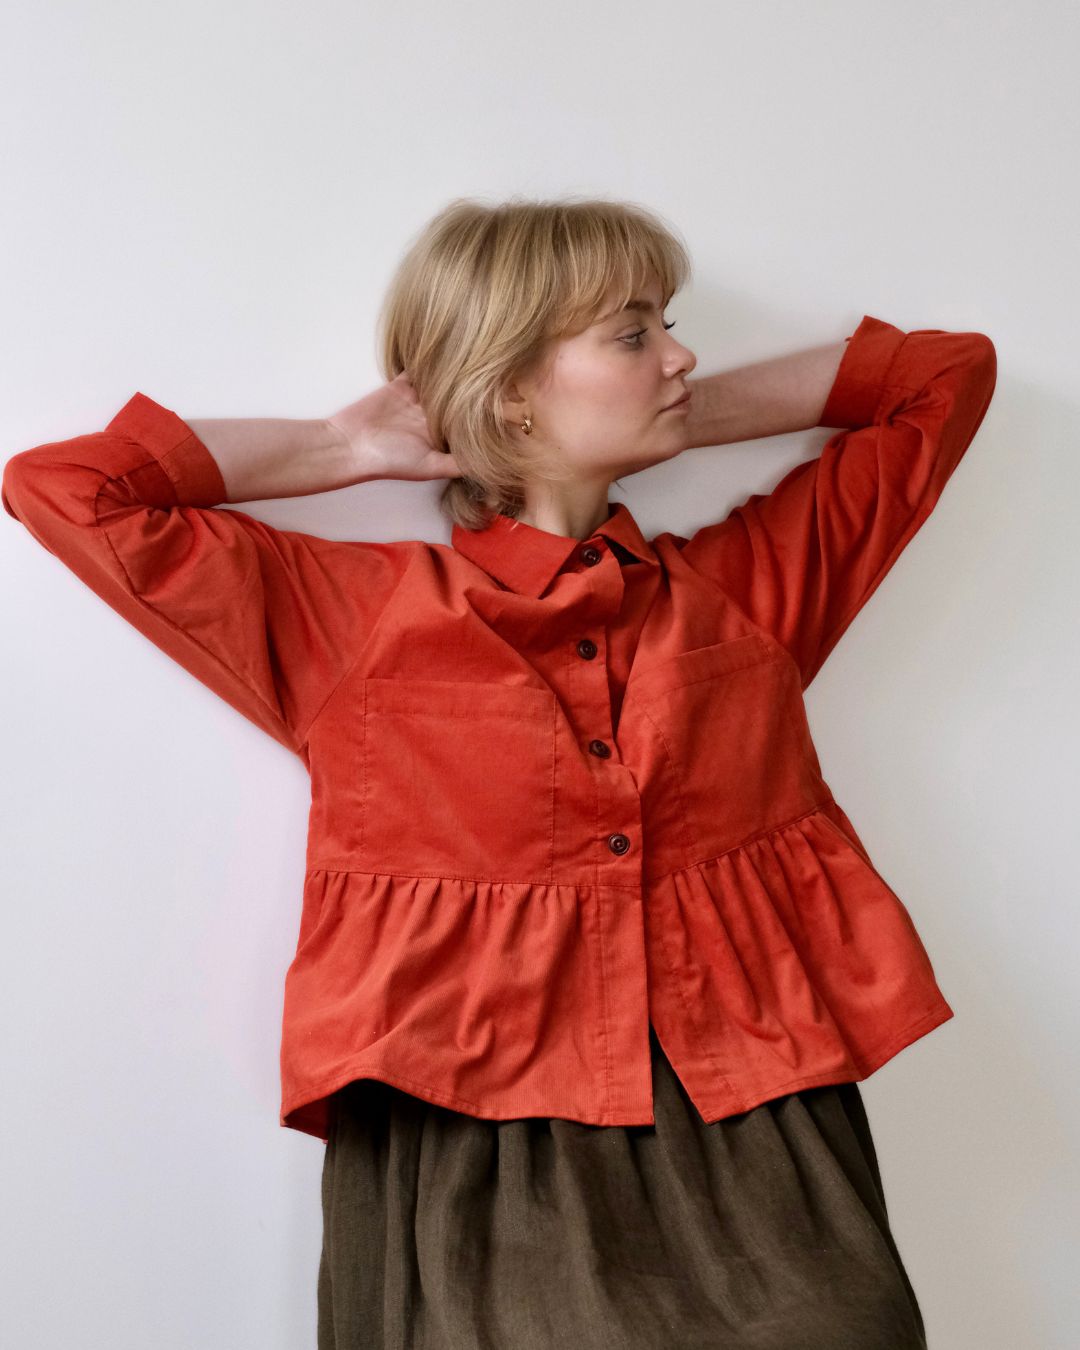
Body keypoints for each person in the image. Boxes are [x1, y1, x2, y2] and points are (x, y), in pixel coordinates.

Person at [2, 195, 997, 1348]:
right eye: (633, 335)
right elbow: (63, 489)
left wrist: (659, 409)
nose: (682, 355)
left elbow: (943, 377)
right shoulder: (356, 623)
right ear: (510, 385)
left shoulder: (745, 596)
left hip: (753, 1112)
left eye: (667, 327)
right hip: (473, 1141)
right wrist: (347, 448)